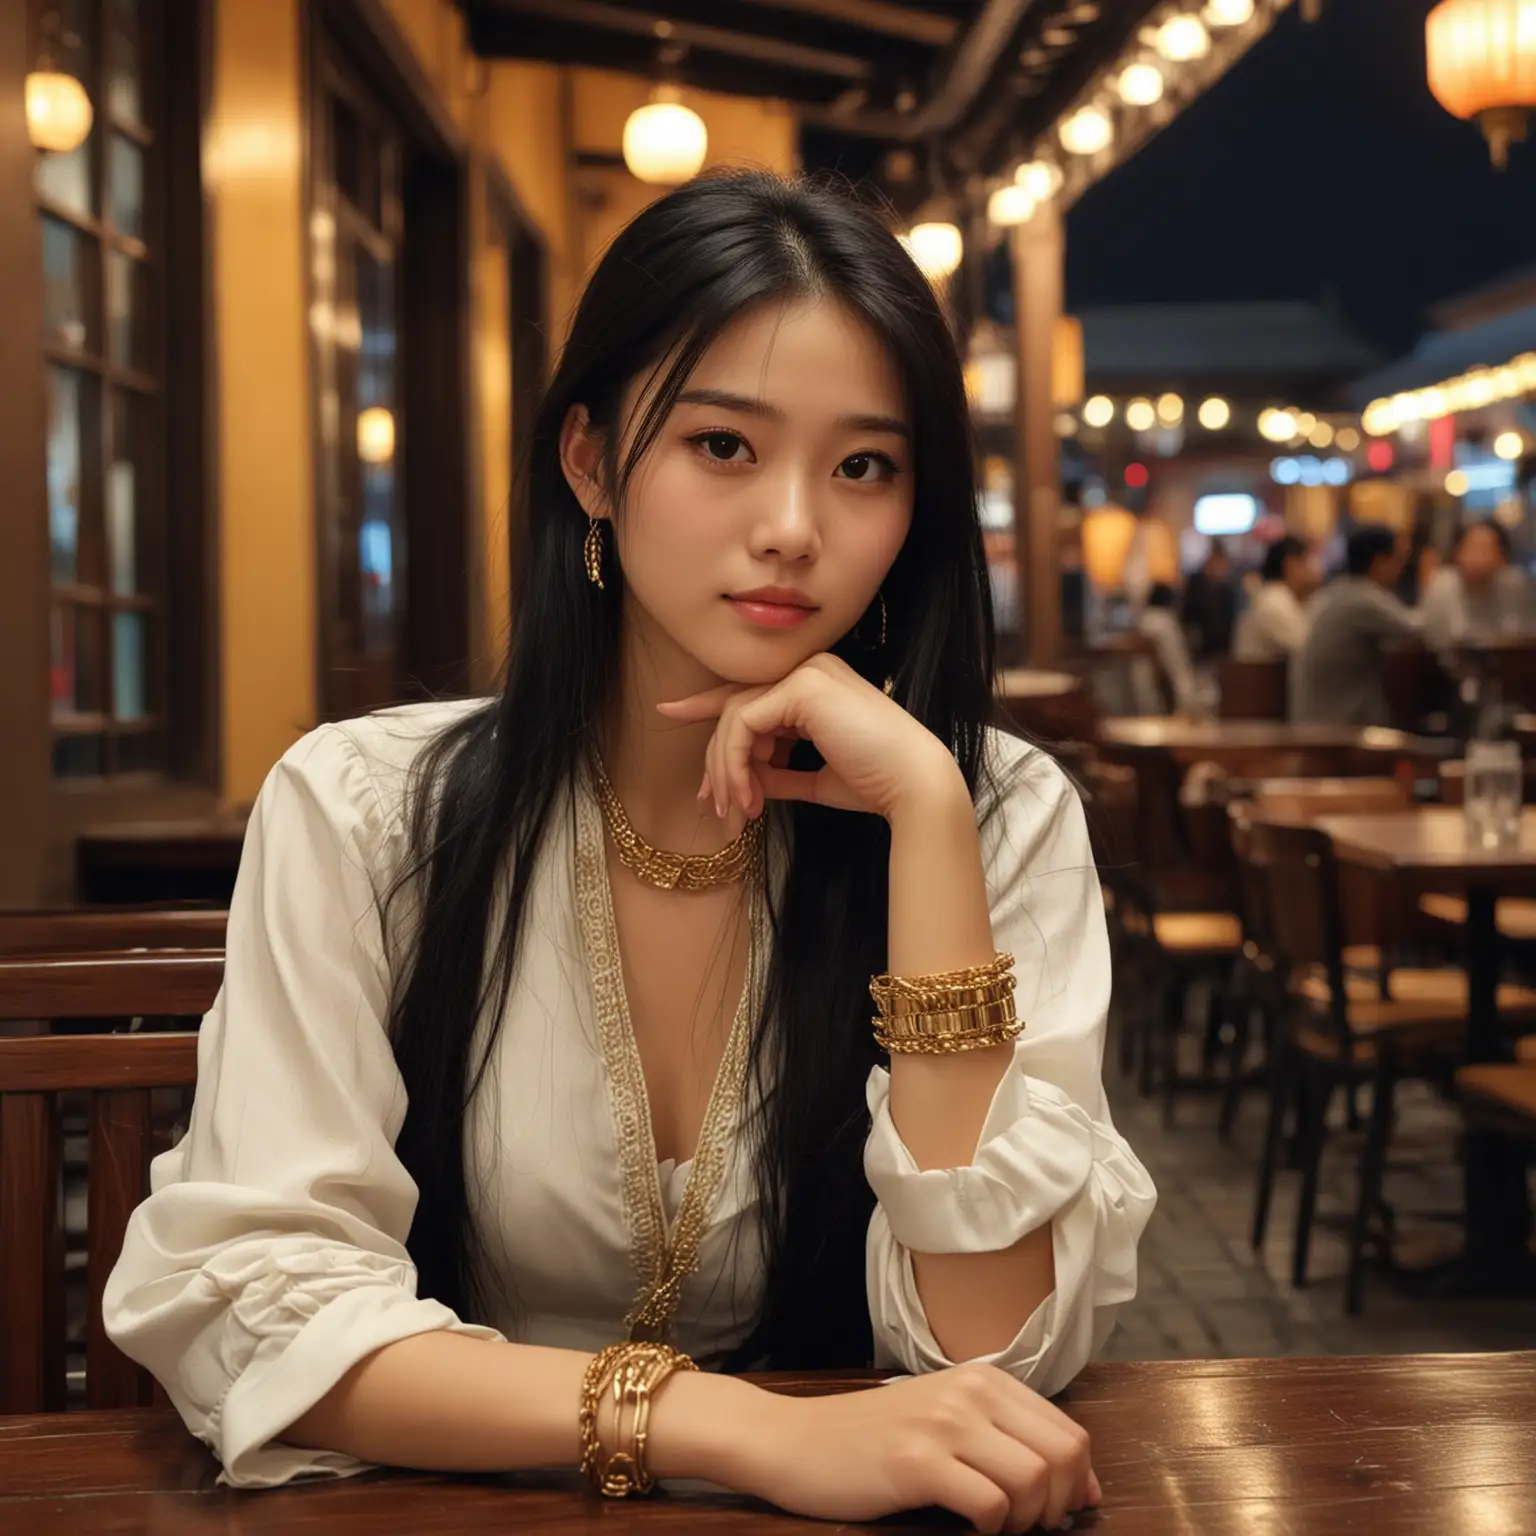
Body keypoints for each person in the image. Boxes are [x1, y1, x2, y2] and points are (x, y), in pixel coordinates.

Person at [103, 173, 1153, 1530]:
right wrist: (736, 1429)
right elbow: (266, 1305)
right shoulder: (368, 809)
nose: (793, 524)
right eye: (724, 446)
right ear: (590, 461)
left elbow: (990, 1356)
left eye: (864, 467)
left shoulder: (993, 810)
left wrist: (931, 825)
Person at [1290, 523, 1419, 726]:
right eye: (1398, 559)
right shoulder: (1362, 597)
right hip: (1334, 725)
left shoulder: (1338, 591)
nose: (1402, 568)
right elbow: (1420, 629)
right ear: (1379, 561)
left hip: (1315, 717)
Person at [1418, 520, 1531, 651]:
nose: (1479, 558)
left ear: (1502, 557)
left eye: (1488, 549)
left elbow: (1521, 633)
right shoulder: (1442, 584)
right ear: (1457, 553)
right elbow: (1439, 640)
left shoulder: (1514, 584)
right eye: (1473, 548)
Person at [1233, 535, 1313, 661]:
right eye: (1306, 563)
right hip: (1260, 679)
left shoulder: (1273, 595)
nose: (1311, 570)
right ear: (1290, 565)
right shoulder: (1274, 600)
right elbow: (1309, 647)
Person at [1133, 583, 1203, 714]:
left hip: (1141, 695)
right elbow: (1176, 661)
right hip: (1165, 694)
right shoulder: (1164, 622)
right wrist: (1188, 698)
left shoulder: (1143, 621)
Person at [1179, 539, 1236, 659]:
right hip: (1200, 645)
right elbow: (1188, 616)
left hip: (1223, 649)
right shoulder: (1197, 585)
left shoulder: (1227, 590)